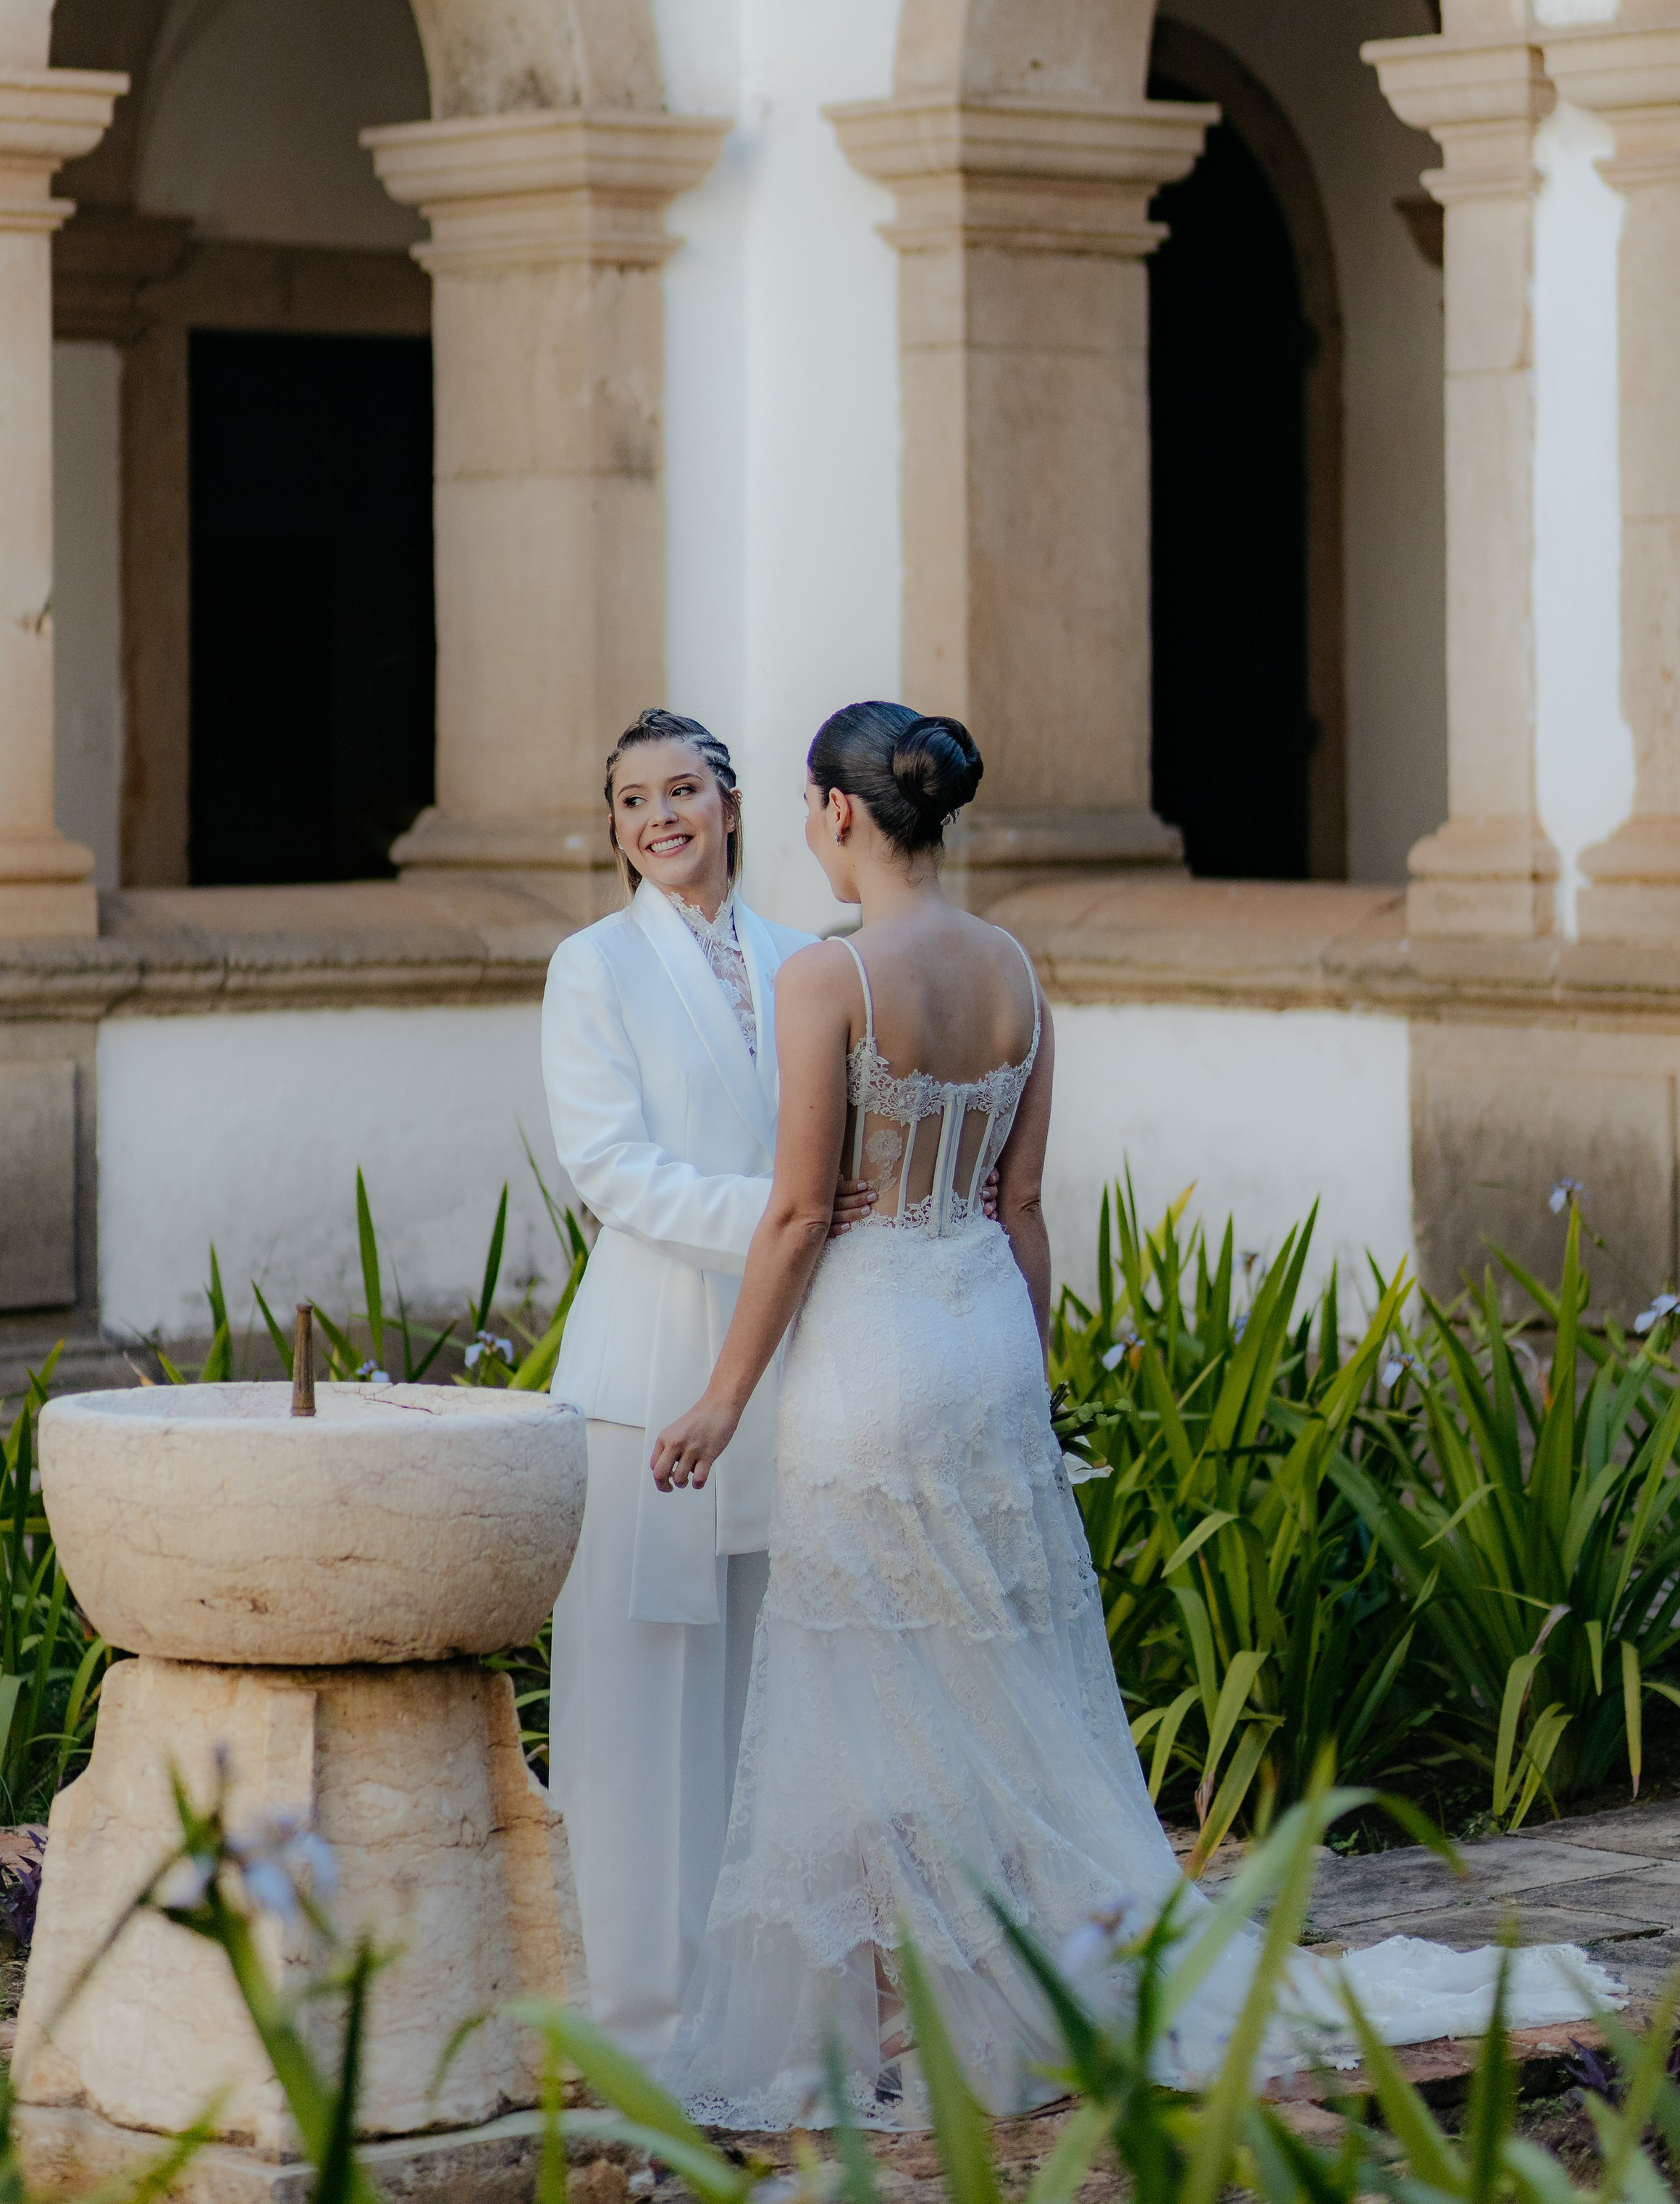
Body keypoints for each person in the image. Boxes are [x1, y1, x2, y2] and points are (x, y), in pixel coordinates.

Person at [652, 700, 1619, 2129]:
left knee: (856, 1688)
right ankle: (1010, 1983)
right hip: (980, 1329)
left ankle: (873, 2027)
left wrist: (720, 1399)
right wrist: (1023, 1383)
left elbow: (801, 1211)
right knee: (997, 1670)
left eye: (808, 807)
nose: (808, 829)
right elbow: (1021, 1205)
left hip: (869, 1345)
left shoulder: (825, 982)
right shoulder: (1016, 972)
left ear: (840, 814)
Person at [541, 707, 872, 2062]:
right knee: (638, 1705)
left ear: (733, 805)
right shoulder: (592, 967)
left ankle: (773, 2016)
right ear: (616, 829)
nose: (660, 816)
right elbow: (608, 1167)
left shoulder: (812, 961)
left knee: (769, 1702)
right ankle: (641, 2018)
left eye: (685, 789)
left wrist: (825, 1225)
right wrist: (784, 1212)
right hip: (650, 1373)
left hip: (791, 1368)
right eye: (633, 801)